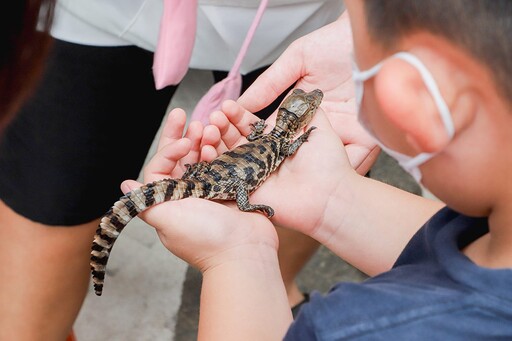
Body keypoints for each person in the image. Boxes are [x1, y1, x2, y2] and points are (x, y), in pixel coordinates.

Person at [121, 0, 512, 339]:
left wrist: (237, 255)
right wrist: (335, 196)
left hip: (232, 177)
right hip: (233, 173)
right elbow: (449, 248)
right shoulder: (480, 240)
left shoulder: (341, 327)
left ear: (404, 96)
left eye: (356, 47)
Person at [0, 1, 346, 340]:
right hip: (102, 18)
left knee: (300, 198)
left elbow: (263, 139)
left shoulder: (272, 135)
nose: (313, 104)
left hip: (300, 24)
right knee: (52, 206)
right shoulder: (284, 141)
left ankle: (276, 284)